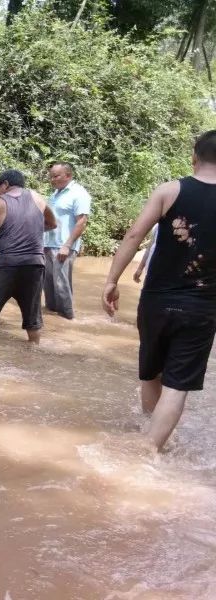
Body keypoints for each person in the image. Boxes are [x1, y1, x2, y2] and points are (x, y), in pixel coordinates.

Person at [102, 130, 216, 451]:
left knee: (151, 372)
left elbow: (134, 234)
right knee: (177, 385)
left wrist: (112, 280)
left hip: (156, 302)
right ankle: (152, 448)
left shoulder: (169, 190)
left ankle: (149, 438)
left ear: (194, 157)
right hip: (202, 307)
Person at [0, 169, 57, 344]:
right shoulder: (37, 197)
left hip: (6, 264)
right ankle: (34, 350)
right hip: (35, 264)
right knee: (32, 315)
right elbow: (52, 223)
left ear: (6, 184)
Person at [43, 162, 92, 319]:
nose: (52, 179)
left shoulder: (79, 193)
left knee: (61, 285)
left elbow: (82, 221)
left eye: (56, 176)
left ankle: (68, 318)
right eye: (51, 176)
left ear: (68, 176)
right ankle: (52, 319)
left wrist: (67, 245)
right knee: (48, 286)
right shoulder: (55, 194)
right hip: (48, 244)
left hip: (63, 246)